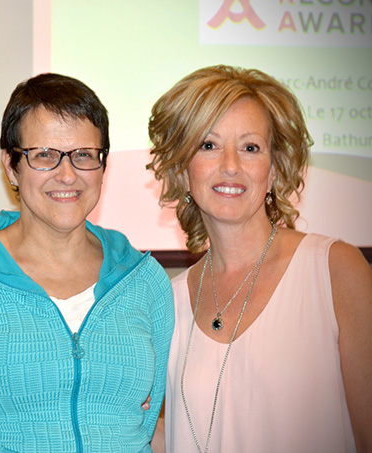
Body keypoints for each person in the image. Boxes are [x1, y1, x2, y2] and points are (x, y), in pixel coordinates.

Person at [0, 73, 174, 451]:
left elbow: (143, 424)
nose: (67, 175)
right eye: (44, 155)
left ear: (103, 165)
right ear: (12, 166)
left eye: (84, 155)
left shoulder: (146, 282)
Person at [147, 64, 372, 452]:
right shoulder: (168, 300)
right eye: (208, 145)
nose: (231, 165)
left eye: (250, 147)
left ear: (273, 170)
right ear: (183, 170)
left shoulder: (335, 269)